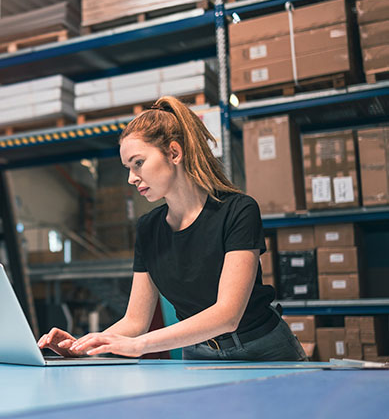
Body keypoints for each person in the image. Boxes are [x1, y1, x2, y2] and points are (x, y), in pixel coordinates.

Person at [38, 96, 308, 361]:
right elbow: (135, 321)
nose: (131, 178)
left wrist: (140, 345)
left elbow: (228, 315)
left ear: (174, 153)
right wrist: (82, 347)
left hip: (263, 351)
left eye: (138, 163)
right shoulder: (148, 228)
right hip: (199, 354)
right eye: (127, 168)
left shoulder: (238, 210)